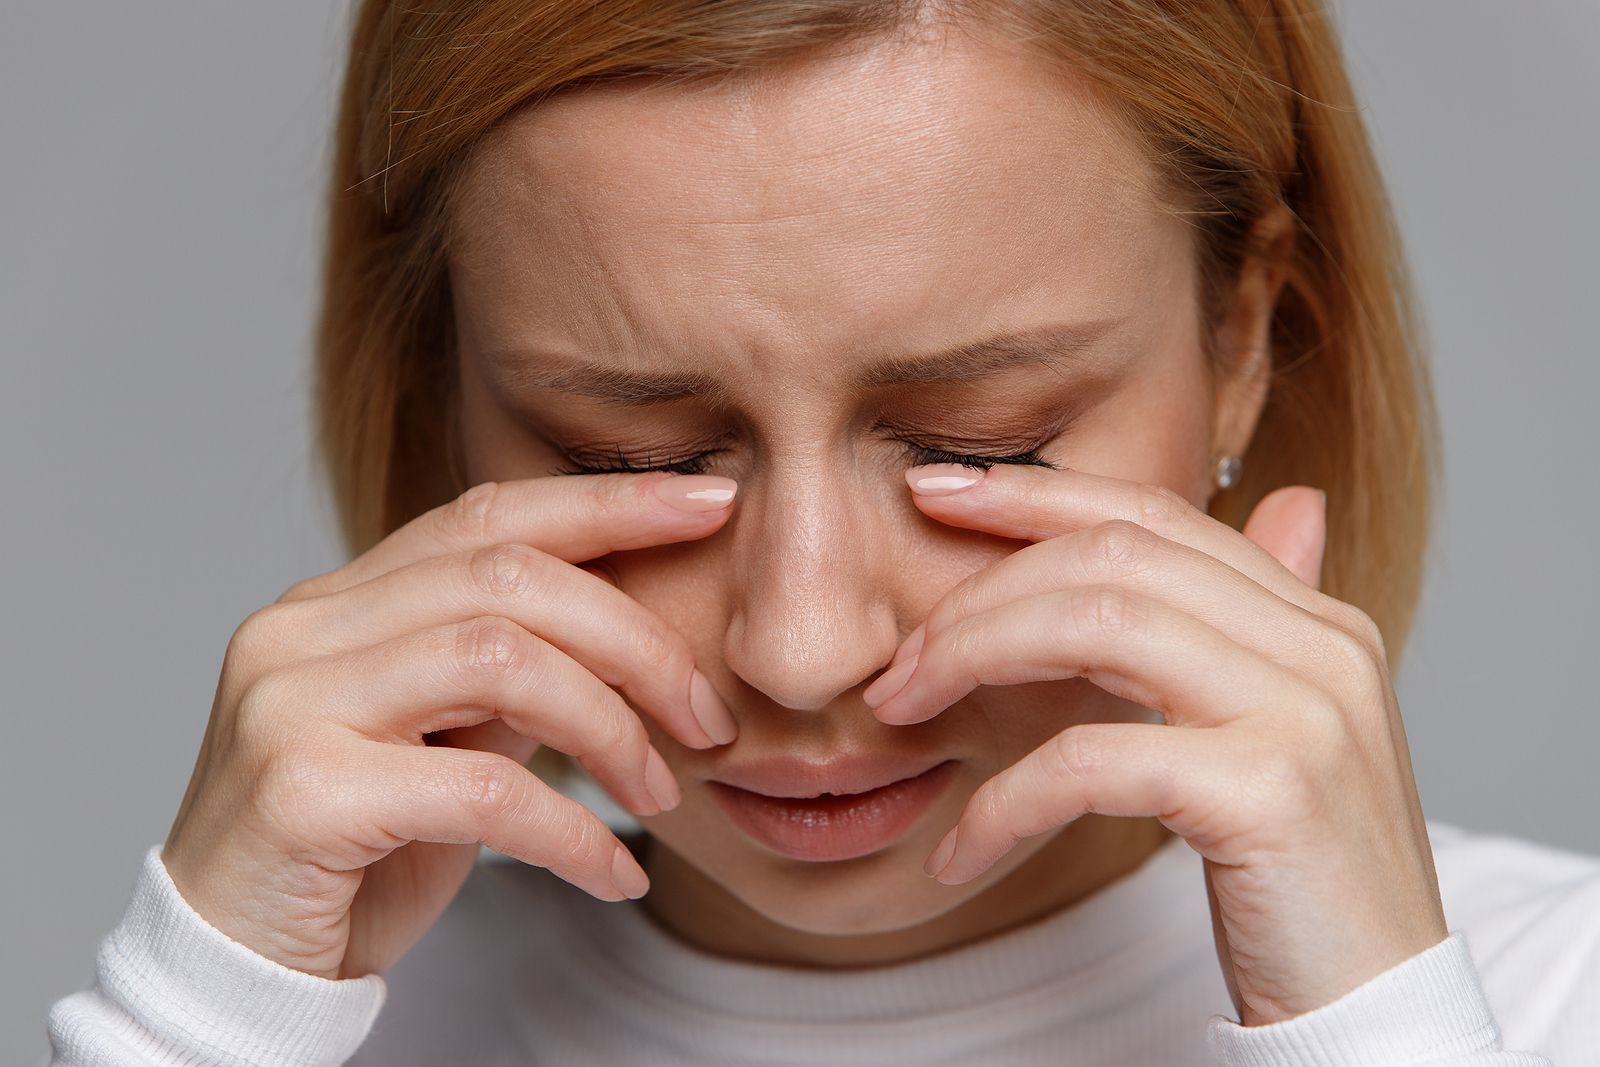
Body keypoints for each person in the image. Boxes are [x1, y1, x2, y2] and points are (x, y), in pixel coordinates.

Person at [43, 1, 1599, 1063]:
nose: (799, 647)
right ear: (450, 394)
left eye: (968, 446)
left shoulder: (1544, 997)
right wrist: (194, 1017)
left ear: (1249, 338)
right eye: (630, 449)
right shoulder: (305, 1021)